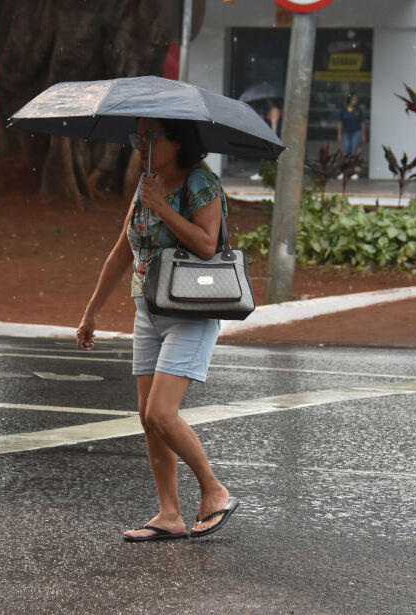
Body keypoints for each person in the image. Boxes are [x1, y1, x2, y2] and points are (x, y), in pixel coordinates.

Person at [76, 117, 238, 542]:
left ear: (178, 141)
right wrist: (91, 311)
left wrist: (163, 207)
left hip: (192, 311)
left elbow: (207, 243)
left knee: (161, 413)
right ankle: (170, 514)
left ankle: (215, 491)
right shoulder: (147, 183)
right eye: (138, 137)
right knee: (147, 420)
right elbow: (120, 252)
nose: (141, 144)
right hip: (148, 311)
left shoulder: (202, 182)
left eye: (151, 137)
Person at [337, 94, 365, 180]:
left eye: (356, 100)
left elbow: (362, 123)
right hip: (346, 133)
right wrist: (339, 134)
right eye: (353, 100)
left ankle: (353, 171)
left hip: (356, 132)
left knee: (354, 151)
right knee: (346, 151)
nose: (355, 101)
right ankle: (344, 171)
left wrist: (363, 134)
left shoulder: (358, 111)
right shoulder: (344, 111)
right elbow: (340, 123)